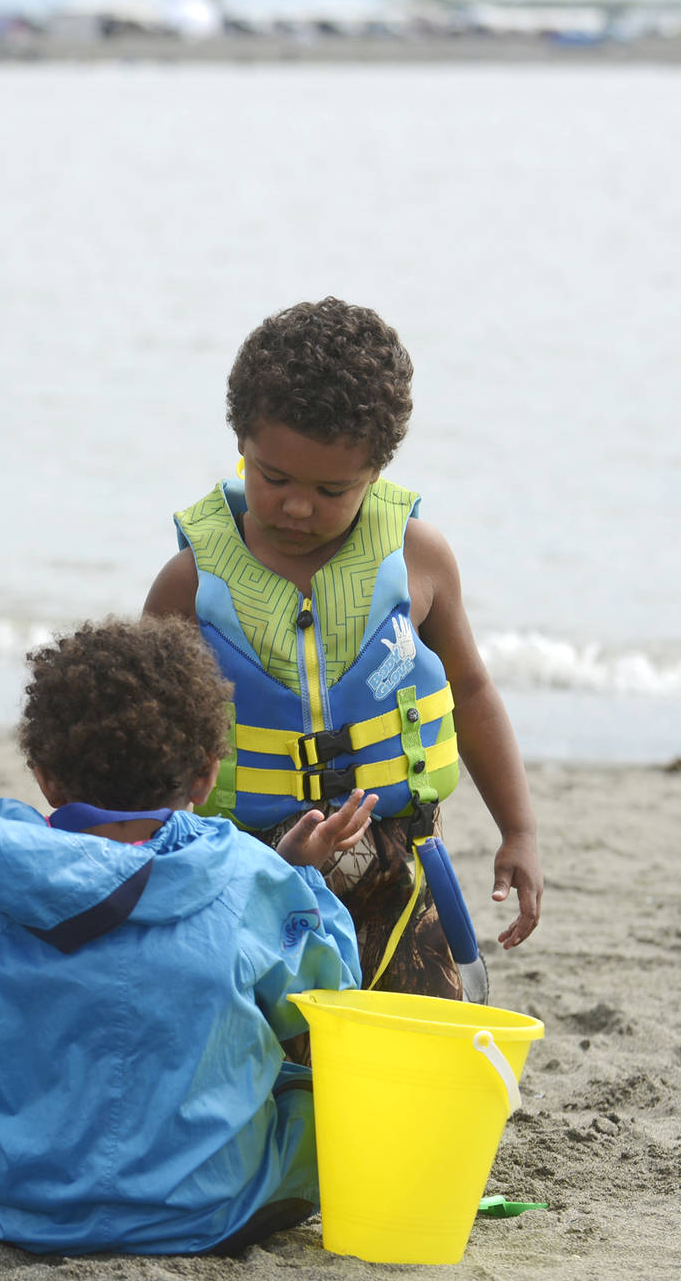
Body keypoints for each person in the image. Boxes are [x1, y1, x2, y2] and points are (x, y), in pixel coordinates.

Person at [0, 617, 367, 1255]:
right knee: (305, 1110)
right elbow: (333, 987)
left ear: (45, 775)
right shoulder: (251, 879)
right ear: (204, 774)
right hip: (206, 1210)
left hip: (18, 1204)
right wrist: (300, 875)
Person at [144, 298, 542, 1002]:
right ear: (242, 442)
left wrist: (519, 828)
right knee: (259, 1036)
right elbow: (137, 728)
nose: (297, 506)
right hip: (246, 857)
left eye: (332, 489)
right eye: (274, 478)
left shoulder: (419, 560)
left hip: (400, 856)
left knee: (421, 1031)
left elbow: (472, 689)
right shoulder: (193, 580)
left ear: (377, 470)